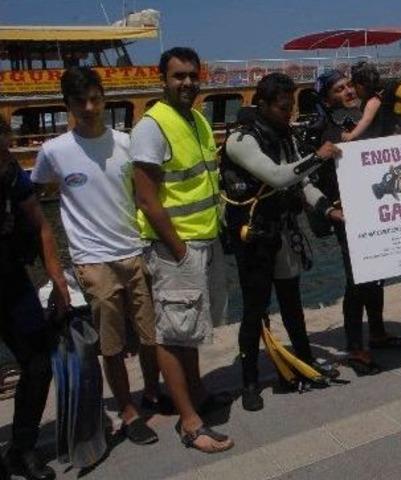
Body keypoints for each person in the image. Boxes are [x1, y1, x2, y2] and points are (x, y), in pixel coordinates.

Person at [30, 67, 174, 446]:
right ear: (68, 105)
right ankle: (127, 410)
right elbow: (34, 195)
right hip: (92, 261)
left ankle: (152, 393)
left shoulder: (126, 143)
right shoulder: (54, 152)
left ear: (105, 98)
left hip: (134, 250)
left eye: (96, 98)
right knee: (110, 344)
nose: (90, 107)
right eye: (81, 101)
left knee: (148, 336)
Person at [131, 47, 233, 453]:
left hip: (203, 239)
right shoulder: (153, 126)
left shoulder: (197, 121)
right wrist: (180, 251)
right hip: (177, 247)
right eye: (178, 76)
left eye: (193, 75)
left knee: (188, 330)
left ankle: (198, 393)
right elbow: (146, 199)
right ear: (163, 79)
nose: (187, 82)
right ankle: (190, 423)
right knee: (173, 335)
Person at [221, 73, 341, 411]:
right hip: (254, 237)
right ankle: (249, 381)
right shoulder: (241, 140)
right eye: (282, 107)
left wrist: (328, 209)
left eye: (291, 107)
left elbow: (300, 182)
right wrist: (319, 155)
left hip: (283, 230)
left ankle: (304, 361)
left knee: (292, 302)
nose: (288, 113)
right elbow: (276, 176)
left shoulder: (285, 135)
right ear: (263, 103)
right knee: (255, 310)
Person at [312, 70, 401, 375]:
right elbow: (339, 150)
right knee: (356, 280)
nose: (347, 92)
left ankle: (378, 332)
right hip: (348, 213)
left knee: (377, 273)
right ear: (327, 98)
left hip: (375, 208)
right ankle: (356, 347)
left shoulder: (362, 117)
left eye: (348, 86)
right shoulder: (328, 127)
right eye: (338, 89)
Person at [0, 116, 69, 480]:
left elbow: (42, 226)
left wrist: (58, 283)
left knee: (39, 362)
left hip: (11, 281)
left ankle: (22, 449)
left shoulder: (11, 173)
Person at [341, 62, 384, 141]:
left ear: (362, 86)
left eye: (354, 85)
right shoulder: (369, 99)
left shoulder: (373, 100)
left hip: (377, 141)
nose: (354, 89)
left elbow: (366, 120)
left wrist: (351, 135)